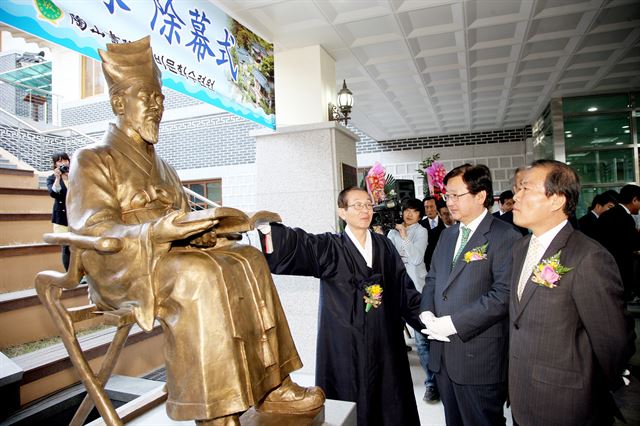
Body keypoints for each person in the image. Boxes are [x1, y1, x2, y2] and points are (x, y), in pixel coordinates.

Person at [65, 37, 323, 425]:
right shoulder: (93, 159)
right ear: (119, 104)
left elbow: (182, 222)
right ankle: (215, 412)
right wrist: (156, 232)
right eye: (145, 97)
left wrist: (209, 231)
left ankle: (272, 385)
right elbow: (94, 228)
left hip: (172, 255)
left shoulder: (165, 166)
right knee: (199, 275)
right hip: (124, 266)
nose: (156, 106)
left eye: (160, 99)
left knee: (249, 258)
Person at [260, 186, 423, 426]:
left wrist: (426, 318)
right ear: (342, 212)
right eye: (357, 205)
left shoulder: (385, 246)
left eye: (368, 204)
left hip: (385, 342)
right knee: (351, 403)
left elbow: (403, 289)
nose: (365, 210)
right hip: (346, 347)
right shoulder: (330, 247)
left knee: (391, 401)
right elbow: (300, 244)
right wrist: (267, 231)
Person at [509, 160, 635, 425]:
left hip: (567, 402)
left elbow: (614, 339)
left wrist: (594, 387)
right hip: (523, 394)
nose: (516, 197)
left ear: (556, 200)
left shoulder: (588, 256)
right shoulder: (520, 248)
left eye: (525, 189)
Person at [420, 164, 521, 426]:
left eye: (456, 195)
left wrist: (453, 323)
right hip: (443, 356)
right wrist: (427, 311)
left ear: (480, 196)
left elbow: (503, 294)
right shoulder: (447, 235)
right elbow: (433, 279)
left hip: (479, 356)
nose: (449, 202)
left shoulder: (505, 236)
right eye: (447, 195)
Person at [387, 198, 438, 402]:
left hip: (416, 291)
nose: (409, 214)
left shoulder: (420, 231)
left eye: (414, 211)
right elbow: (389, 258)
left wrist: (404, 236)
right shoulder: (391, 232)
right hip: (393, 290)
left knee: (422, 341)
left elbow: (416, 259)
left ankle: (432, 384)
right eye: (406, 210)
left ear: (420, 215)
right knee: (391, 339)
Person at [596, 184, 640, 301]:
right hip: (621, 268)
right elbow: (634, 243)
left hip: (604, 267)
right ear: (634, 200)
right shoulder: (626, 218)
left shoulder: (606, 215)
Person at [46, 152, 71, 270]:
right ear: (55, 164)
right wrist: (57, 178)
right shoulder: (51, 178)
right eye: (60, 161)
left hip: (76, 217)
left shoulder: (76, 176)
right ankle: (70, 274)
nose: (63, 163)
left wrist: (71, 176)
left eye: (65, 160)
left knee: (80, 247)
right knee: (66, 247)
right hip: (61, 218)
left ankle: (84, 273)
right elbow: (53, 193)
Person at [420, 195, 446, 270]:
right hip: (427, 263)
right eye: (426, 207)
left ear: (436, 207)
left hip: (443, 260)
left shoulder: (445, 222)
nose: (429, 210)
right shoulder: (421, 225)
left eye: (432, 206)